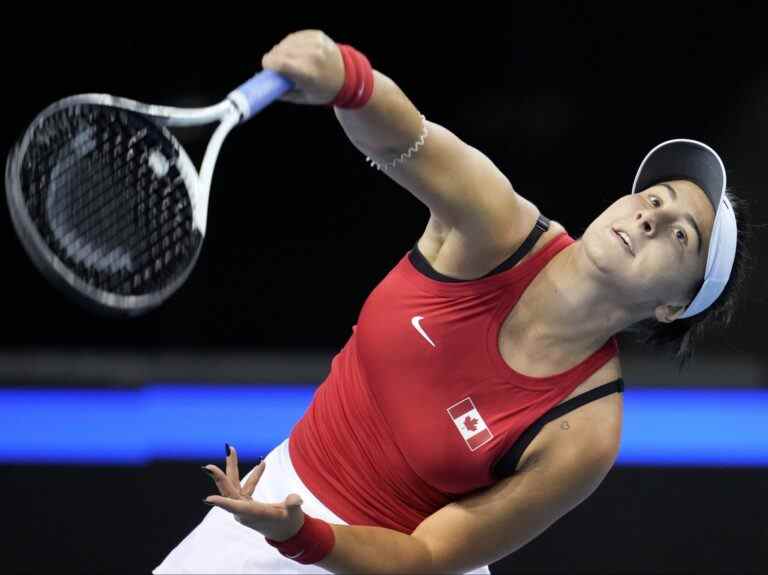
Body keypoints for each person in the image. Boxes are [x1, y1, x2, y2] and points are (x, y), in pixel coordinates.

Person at [153, 29, 748, 574]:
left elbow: (429, 555)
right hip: (275, 506)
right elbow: (406, 137)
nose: (651, 217)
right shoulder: (496, 226)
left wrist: (302, 535)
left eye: (680, 235)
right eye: (656, 197)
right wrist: (347, 77)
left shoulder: (586, 428)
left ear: (674, 306)